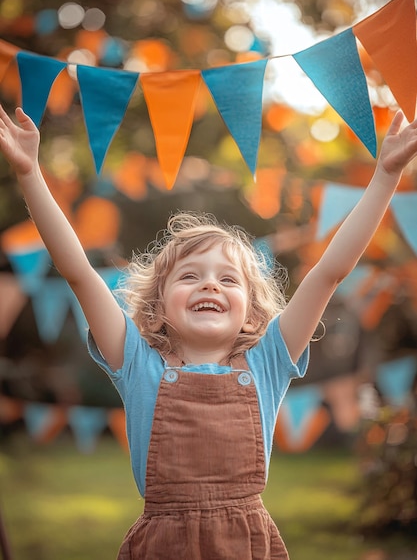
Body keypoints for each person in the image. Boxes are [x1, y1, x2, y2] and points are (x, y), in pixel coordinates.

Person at [1, 102, 417, 560]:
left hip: (247, 545)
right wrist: (30, 174)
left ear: (253, 315)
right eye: (190, 275)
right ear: (157, 311)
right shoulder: (137, 363)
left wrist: (385, 177)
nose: (210, 284)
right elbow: (78, 270)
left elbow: (328, 273)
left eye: (228, 278)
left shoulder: (269, 360)